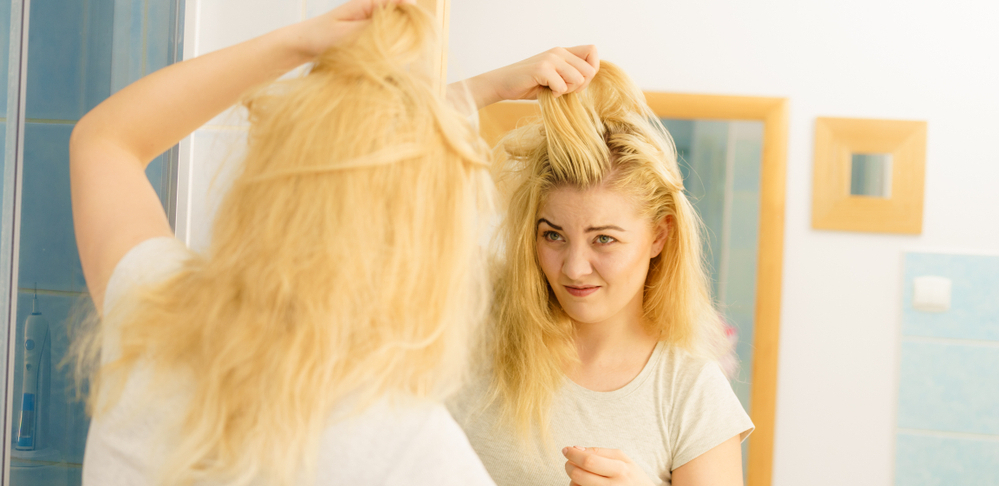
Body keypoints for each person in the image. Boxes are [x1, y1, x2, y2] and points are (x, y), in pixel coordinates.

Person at [69, 1, 498, 484]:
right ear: (427, 249)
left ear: (265, 189)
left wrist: (297, 42)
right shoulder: (413, 449)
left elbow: (105, 140)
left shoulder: (153, 321)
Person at [449, 61, 754, 485]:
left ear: (659, 236)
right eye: (553, 235)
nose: (573, 267)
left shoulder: (690, 392)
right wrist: (486, 87)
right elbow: (358, 176)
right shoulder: (478, 323)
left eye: (603, 239)